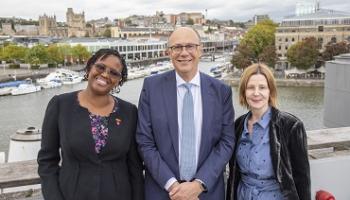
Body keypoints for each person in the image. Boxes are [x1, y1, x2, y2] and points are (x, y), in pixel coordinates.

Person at [136, 27, 235, 200]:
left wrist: (199, 184)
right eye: (177, 47)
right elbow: (145, 141)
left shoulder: (221, 91)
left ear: (200, 50)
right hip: (163, 191)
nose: (184, 53)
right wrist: (173, 185)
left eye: (190, 46)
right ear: (169, 52)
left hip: (206, 193)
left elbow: (226, 142)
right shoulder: (151, 87)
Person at [37, 48, 144, 200]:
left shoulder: (130, 112)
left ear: (119, 81)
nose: (105, 74)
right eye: (100, 67)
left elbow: (135, 167)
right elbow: (47, 162)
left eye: (114, 73)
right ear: (89, 67)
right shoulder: (60, 105)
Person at [226, 63, 311, 200]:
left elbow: (302, 179)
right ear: (243, 92)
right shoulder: (238, 125)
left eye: (262, 87)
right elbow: (234, 174)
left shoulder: (291, 126)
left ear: (270, 91)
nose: (256, 93)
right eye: (250, 88)